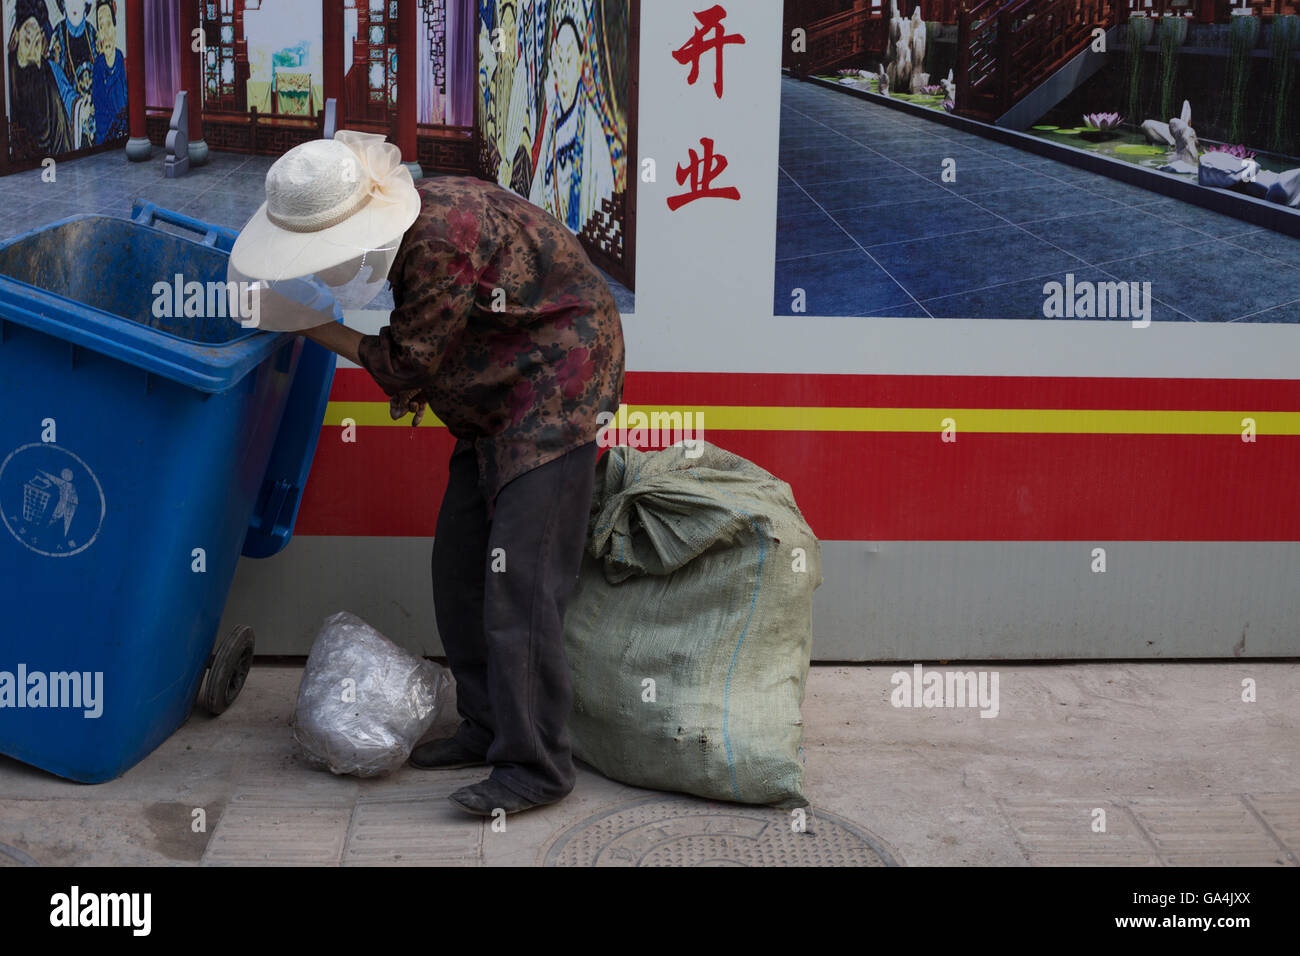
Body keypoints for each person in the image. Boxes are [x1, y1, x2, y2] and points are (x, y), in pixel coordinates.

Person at [227, 131, 625, 817]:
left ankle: (537, 766)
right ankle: (487, 725)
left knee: (519, 587)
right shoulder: (415, 225)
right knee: (459, 567)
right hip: (493, 392)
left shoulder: (438, 240)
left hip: (557, 387)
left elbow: (406, 366)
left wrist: (307, 323)